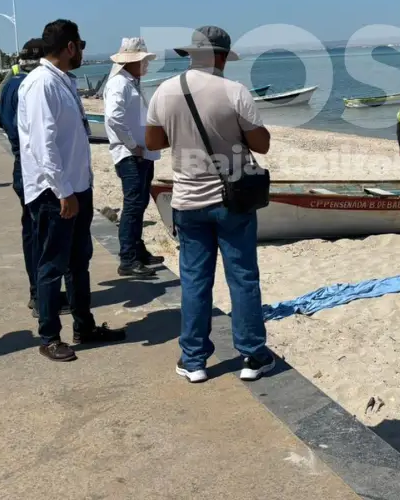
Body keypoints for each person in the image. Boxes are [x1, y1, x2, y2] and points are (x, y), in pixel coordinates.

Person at [145, 26, 275, 384]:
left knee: (194, 281)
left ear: (191, 55)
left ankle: (194, 359)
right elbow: (261, 144)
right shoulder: (234, 92)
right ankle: (251, 355)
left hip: (187, 201)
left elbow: (153, 140)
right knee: (243, 279)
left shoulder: (165, 90)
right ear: (220, 57)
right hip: (232, 200)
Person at [18, 19, 125, 361]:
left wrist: (81, 186)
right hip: (55, 193)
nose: (82, 50)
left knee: (79, 261)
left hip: (77, 187)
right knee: (52, 265)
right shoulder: (40, 84)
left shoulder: (62, 80)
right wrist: (63, 191)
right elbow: (42, 143)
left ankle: (85, 325)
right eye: (80, 44)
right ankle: (50, 336)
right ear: (69, 47)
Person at [0, 38, 71, 317]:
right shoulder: (34, 85)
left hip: (22, 163)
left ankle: (37, 293)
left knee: (32, 232)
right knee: (42, 235)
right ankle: (42, 298)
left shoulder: (11, 85)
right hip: (34, 167)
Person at [103, 37, 164, 277]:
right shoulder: (120, 83)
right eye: (143, 60)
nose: (147, 65)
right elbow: (113, 118)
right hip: (131, 155)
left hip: (141, 153)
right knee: (133, 205)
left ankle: (137, 251)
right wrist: (132, 145)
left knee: (139, 204)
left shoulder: (130, 82)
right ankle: (127, 257)